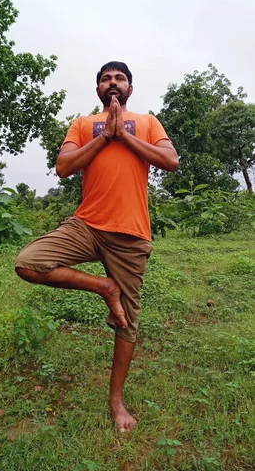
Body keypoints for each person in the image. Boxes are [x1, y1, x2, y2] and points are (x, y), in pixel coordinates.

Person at [15, 61, 179, 432]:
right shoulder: (84, 124)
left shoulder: (149, 122)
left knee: (128, 321)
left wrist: (125, 136)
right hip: (87, 224)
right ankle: (105, 288)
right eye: (106, 79)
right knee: (28, 262)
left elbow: (170, 161)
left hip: (132, 235)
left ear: (130, 89)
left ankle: (116, 401)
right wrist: (105, 135)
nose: (113, 83)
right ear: (98, 90)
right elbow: (63, 167)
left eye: (120, 78)